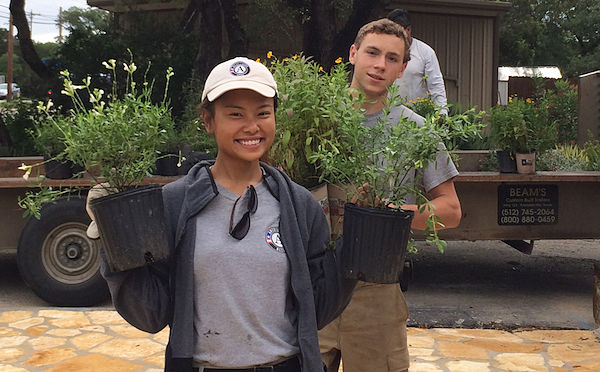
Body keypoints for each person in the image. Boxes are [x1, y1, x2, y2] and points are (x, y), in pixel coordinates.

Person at [86, 57, 356, 372]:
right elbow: (151, 313)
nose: (252, 126)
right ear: (208, 121)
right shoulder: (174, 204)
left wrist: (355, 251)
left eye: (263, 113)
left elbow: (317, 307)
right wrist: (114, 243)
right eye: (235, 114)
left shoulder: (298, 205)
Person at [317, 19, 462, 372]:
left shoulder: (416, 129)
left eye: (392, 58)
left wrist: (395, 212)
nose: (380, 64)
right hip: (313, 284)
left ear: (402, 69)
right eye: (372, 52)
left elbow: (452, 210)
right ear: (353, 54)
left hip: (376, 294)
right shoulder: (313, 119)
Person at [387, 9, 449, 115]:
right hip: (385, 113)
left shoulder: (425, 52)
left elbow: (436, 84)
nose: (394, 37)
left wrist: (442, 111)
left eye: (398, 33)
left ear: (408, 30)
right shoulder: (383, 51)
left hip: (415, 115)